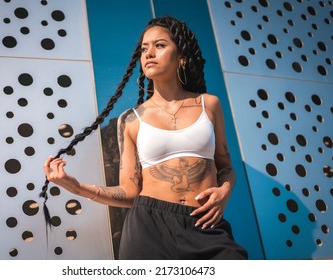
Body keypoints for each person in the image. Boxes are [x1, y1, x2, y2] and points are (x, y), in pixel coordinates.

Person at [42, 16, 248, 260]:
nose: (149, 53)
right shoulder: (131, 120)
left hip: (204, 224)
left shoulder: (209, 105)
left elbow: (225, 167)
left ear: (181, 56)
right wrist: (77, 188)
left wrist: (224, 193)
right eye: (144, 49)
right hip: (148, 227)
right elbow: (129, 191)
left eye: (160, 45)